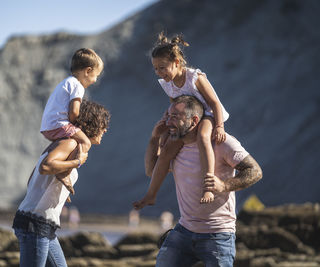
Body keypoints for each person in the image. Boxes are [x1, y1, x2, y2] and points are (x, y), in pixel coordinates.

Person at [133, 95, 262, 266]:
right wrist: (154, 139)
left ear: (194, 120)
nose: (168, 122)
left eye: (175, 117)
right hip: (184, 230)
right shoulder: (174, 148)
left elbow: (255, 171)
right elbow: (151, 170)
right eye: (168, 116)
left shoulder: (222, 143)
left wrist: (224, 185)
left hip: (218, 234)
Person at [13, 100, 110, 267]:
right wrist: (77, 162)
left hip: (43, 226)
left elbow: (33, 180)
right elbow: (45, 167)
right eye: (103, 124)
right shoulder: (70, 143)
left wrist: (57, 192)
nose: (105, 129)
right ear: (92, 123)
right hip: (35, 224)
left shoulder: (64, 144)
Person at [144, 32, 229, 204]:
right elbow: (174, 104)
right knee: (167, 147)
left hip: (207, 114)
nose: (159, 72)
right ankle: (151, 194)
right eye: (155, 68)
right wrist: (166, 122)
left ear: (176, 63)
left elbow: (215, 103)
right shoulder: (167, 84)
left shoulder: (194, 77)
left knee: (203, 137)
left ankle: (208, 187)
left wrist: (219, 126)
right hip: (187, 119)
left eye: (162, 67)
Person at [40, 48, 104, 194]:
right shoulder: (78, 86)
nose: (95, 80)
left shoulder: (66, 82)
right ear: (88, 71)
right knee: (85, 142)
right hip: (60, 124)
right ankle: (65, 172)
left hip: (48, 126)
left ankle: (62, 166)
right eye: (96, 75)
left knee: (74, 141)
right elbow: (74, 111)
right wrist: (77, 125)